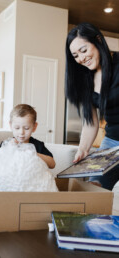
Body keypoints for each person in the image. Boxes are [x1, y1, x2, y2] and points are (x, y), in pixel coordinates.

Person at [65, 22, 119, 190]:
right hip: (112, 142)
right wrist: (83, 149)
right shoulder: (85, 80)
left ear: (98, 41)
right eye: (75, 55)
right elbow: (90, 122)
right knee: (94, 187)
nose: (81, 58)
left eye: (84, 50)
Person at [9, 104, 55, 169]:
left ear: (34, 127)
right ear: (11, 126)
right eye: (17, 128)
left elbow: (52, 164)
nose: (21, 132)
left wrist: (33, 153)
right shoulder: (8, 143)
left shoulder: (38, 145)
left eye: (26, 128)